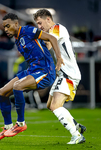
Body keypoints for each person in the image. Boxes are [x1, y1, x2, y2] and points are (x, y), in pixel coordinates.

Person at [0, 13, 64, 140]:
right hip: (31, 70)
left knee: (17, 86)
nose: (5, 30)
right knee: (2, 92)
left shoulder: (29, 30)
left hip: (45, 70)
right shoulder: (17, 39)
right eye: (4, 27)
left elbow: (52, 39)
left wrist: (58, 58)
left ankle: (21, 124)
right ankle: (7, 127)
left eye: (8, 26)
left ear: (16, 24)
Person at [33, 9, 86, 144]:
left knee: (56, 105)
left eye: (40, 23)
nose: (39, 27)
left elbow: (48, 43)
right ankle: (76, 126)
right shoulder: (53, 31)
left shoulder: (57, 28)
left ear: (48, 19)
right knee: (50, 105)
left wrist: (32, 37)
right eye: (37, 24)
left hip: (69, 74)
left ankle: (77, 135)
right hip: (63, 73)